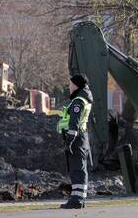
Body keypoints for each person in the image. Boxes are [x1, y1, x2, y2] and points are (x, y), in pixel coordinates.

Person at [57, 74, 93, 209]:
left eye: (70, 84)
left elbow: (74, 124)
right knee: (80, 168)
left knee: (77, 169)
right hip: (81, 138)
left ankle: (76, 200)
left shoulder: (78, 101)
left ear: (76, 85)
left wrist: (69, 142)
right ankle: (79, 198)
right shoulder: (84, 99)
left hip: (76, 139)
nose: (69, 86)